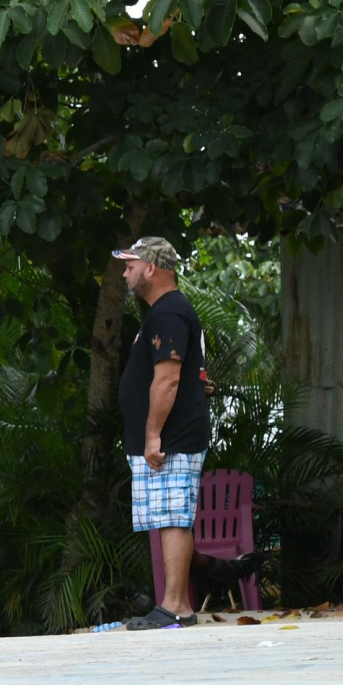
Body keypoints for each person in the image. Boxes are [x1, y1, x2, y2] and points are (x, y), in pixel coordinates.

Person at [115, 236, 213, 629]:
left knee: (174, 518)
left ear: (151, 268)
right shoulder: (166, 312)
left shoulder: (168, 312)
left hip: (171, 437)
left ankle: (175, 606)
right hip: (168, 436)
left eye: (131, 265)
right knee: (168, 516)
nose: (126, 273)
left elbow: (168, 378)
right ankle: (175, 604)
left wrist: (153, 433)